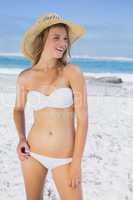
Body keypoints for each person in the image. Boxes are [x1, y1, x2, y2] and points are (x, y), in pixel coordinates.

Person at [13, 12, 88, 200]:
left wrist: (76, 163)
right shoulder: (25, 77)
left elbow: (83, 119)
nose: (63, 43)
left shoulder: (71, 72)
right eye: (56, 37)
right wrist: (21, 138)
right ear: (42, 39)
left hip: (65, 159)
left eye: (65, 39)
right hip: (33, 154)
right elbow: (18, 109)